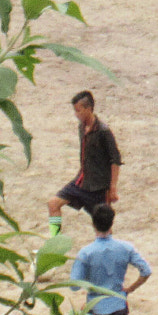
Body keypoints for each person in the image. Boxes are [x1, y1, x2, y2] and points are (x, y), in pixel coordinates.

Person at [47, 91, 120, 235]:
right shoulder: (81, 127)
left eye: (78, 110)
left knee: (103, 228)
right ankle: (54, 240)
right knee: (53, 204)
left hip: (98, 189)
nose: (76, 114)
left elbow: (115, 159)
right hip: (81, 182)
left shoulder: (103, 132)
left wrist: (112, 188)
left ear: (89, 109)